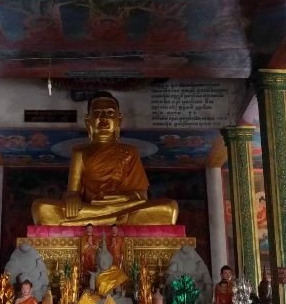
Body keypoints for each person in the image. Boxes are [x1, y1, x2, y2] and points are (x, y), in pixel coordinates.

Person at [31, 92, 178, 225]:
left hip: (124, 207)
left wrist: (126, 199)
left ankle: (101, 220)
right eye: (97, 113)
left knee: (170, 208)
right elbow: (73, 191)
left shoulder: (130, 152)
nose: (104, 118)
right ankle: (109, 219)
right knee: (41, 208)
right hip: (92, 207)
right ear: (88, 121)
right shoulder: (80, 152)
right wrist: (72, 198)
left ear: (118, 120)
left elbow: (142, 195)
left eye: (109, 113)